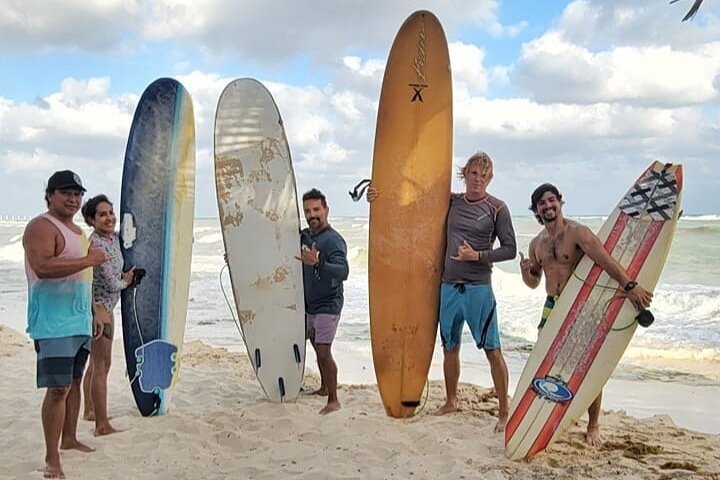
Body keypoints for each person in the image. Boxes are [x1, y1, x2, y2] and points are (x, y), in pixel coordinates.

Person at [368, 152, 517, 432]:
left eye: (484, 175)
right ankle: (451, 401)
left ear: (490, 178)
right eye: (474, 173)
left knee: (492, 350)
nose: (478, 179)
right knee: (450, 348)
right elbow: (413, 204)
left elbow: (510, 249)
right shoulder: (452, 201)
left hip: (478, 290)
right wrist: (378, 196)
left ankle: (504, 411)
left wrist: (479, 255)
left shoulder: (498, 208)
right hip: (448, 286)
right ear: (465, 174)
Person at [519, 183, 653, 446]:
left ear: (560, 201)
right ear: (536, 210)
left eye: (551, 200)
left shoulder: (577, 232)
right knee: (549, 363)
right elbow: (534, 282)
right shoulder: (537, 243)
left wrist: (630, 286)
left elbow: (604, 260)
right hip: (551, 305)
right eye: (541, 204)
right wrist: (526, 271)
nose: (547, 206)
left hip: (579, 305)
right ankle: (556, 413)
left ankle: (593, 424)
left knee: (585, 365)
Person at [23, 170, 108, 479]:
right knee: (57, 388)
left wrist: (95, 310)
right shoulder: (41, 226)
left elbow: (84, 278)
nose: (73, 199)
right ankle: (51, 458)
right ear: (50, 195)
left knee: (72, 383)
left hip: (79, 320)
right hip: (52, 322)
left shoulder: (77, 232)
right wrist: (88, 260)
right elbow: (43, 266)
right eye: (66, 193)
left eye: (77, 194)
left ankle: (70, 439)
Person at [80, 194, 134, 436]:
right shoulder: (96, 245)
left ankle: (90, 410)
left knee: (95, 363)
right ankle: (102, 425)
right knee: (102, 365)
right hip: (100, 310)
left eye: (111, 213)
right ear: (91, 219)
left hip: (105, 308)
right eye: (102, 214)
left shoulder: (112, 239)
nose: (109, 218)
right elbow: (112, 284)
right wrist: (128, 280)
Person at [298, 188, 349, 415]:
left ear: (326, 210)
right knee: (315, 345)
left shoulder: (333, 240)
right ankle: (323, 386)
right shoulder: (304, 236)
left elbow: (343, 271)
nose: (312, 214)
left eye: (317, 209)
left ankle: (333, 399)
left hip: (329, 303)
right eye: (308, 211)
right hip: (309, 303)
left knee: (323, 351)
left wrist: (318, 263)